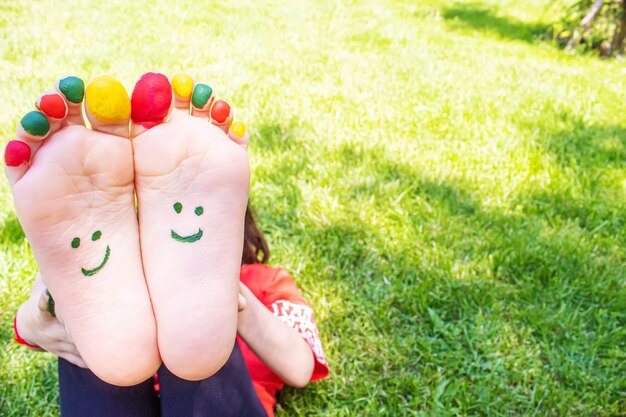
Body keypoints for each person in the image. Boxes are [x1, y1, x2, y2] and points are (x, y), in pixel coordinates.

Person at [8, 73, 329, 417]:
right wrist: (32, 323)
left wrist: (230, 300)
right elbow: (49, 305)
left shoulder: (263, 282)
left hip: (211, 387)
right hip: (115, 323)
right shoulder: (114, 280)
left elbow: (300, 366)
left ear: (237, 221)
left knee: (195, 334)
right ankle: (148, 338)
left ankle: (196, 330)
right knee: (98, 328)